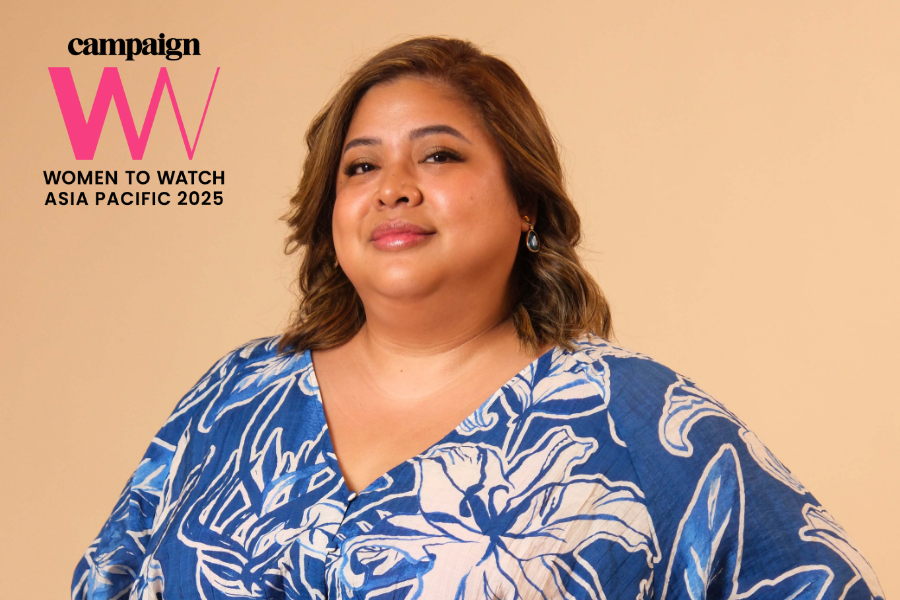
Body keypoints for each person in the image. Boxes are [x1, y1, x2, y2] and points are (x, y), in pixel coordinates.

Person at [71, 36, 883, 600]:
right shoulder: (234, 396)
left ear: (525, 201)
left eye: (439, 155)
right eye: (361, 166)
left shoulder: (635, 419)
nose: (393, 188)